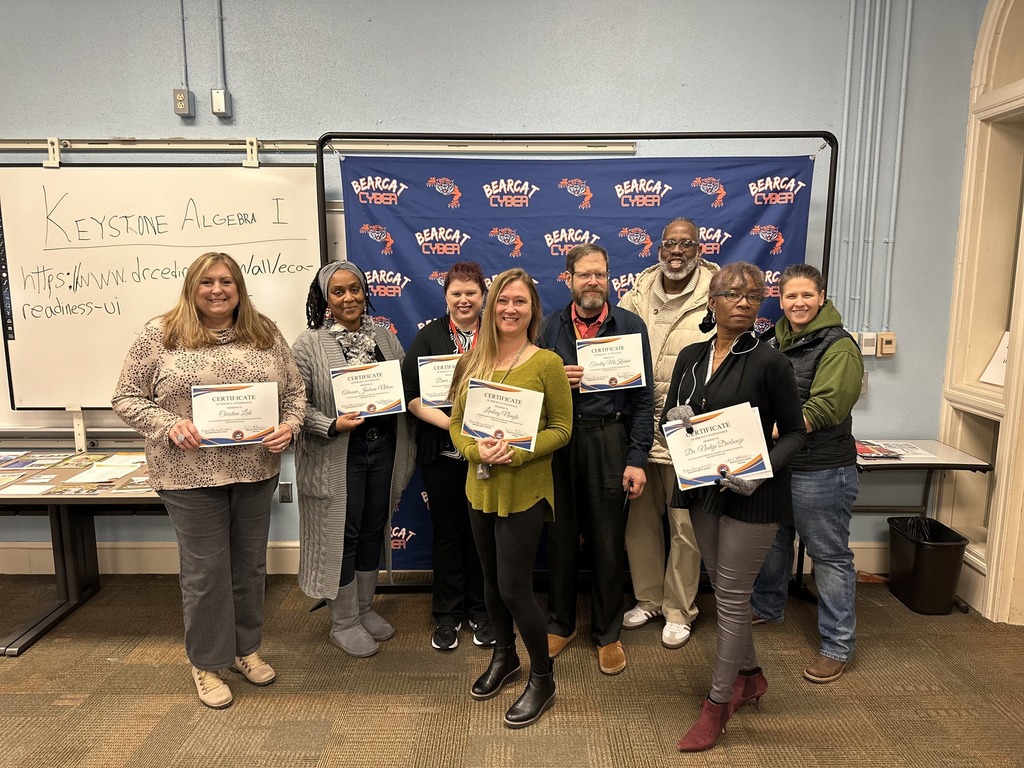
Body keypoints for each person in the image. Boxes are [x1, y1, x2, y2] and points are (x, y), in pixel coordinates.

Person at [112, 251, 306, 709]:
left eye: (226, 281)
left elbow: (296, 392)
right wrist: (169, 424)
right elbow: (125, 397)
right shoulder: (160, 335)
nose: (217, 290)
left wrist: (290, 426)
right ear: (192, 288)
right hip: (188, 474)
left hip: (254, 469)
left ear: (239, 288)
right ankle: (206, 662)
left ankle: (244, 649)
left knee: (249, 566)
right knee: (206, 572)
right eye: (207, 282)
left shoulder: (264, 332)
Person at [660, 261, 805, 751]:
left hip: (752, 493)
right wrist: (674, 419)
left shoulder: (769, 361)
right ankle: (751, 676)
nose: (743, 301)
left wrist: (759, 470)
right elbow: (668, 422)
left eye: (753, 295)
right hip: (702, 488)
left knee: (731, 597)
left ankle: (718, 704)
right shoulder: (690, 356)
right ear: (712, 301)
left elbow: (797, 434)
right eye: (732, 293)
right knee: (725, 589)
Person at [448, 268, 572, 729]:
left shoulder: (547, 364)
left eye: (520, 301)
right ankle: (505, 657)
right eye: (502, 300)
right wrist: (473, 450)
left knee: (515, 588)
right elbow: (456, 424)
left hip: (524, 491)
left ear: (532, 309)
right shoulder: (470, 362)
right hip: (479, 487)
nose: (510, 309)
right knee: (489, 581)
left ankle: (543, 678)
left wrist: (519, 452)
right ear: (490, 306)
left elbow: (562, 429)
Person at [292, 261, 415, 659]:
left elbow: (403, 388)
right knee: (342, 534)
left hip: (382, 448)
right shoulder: (308, 345)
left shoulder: (385, 338)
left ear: (365, 292)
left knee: (372, 528)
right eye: (338, 291)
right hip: (339, 452)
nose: (349, 298)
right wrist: (331, 424)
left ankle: (363, 608)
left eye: (355, 289)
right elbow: (294, 405)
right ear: (325, 299)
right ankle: (343, 621)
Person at [542, 244, 654, 676]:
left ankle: (608, 634)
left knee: (608, 542)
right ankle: (560, 624)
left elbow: (644, 398)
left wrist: (637, 458)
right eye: (584, 274)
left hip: (610, 437)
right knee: (560, 538)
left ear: (609, 278)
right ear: (568, 278)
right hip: (561, 439)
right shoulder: (549, 327)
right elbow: (530, 390)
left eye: (600, 274)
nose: (593, 282)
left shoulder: (630, 325)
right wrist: (557, 382)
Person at [750, 263, 864, 684]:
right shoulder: (770, 340)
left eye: (806, 295)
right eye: (790, 296)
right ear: (780, 300)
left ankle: (837, 645)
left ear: (821, 298)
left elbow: (828, 405)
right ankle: (767, 606)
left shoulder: (839, 346)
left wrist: (777, 426)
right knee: (774, 540)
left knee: (829, 555)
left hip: (821, 468)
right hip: (779, 464)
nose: (799, 303)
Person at [617, 217, 718, 649]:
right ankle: (649, 599)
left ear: (699, 249)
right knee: (639, 524)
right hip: (641, 428)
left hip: (689, 431)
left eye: (686, 244)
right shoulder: (635, 294)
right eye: (670, 244)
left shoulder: (716, 294)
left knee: (685, 529)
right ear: (659, 248)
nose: (677, 251)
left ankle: (679, 609)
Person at [401, 261, 491, 652]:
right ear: (446, 297)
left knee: (482, 535)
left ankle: (482, 611)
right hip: (444, 453)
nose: (464, 299)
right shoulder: (429, 337)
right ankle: (448, 615)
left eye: (471, 292)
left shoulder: (497, 334)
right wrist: (453, 426)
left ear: (483, 296)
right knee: (449, 533)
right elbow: (412, 397)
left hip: (489, 452)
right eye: (457, 293)